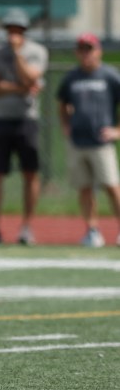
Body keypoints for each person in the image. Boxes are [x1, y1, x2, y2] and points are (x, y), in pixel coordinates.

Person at [0, 8, 48, 245]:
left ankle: (27, 227)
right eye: (9, 29)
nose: (12, 34)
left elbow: (31, 78)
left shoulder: (36, 51)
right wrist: (19, 89)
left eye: (17, 30)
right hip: (1, 119)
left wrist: (18, 54)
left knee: (30, 173)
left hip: (27, 119)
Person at [57, 32, 120, 247]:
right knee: (84, 188)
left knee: (111, 186)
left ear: (98, 51)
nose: (86, 54)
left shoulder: (110, 75)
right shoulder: (72, 77)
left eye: (89, 49)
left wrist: (117, 130)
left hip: (102, 143)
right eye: (82, 49)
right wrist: (65, 124)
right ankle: (92, 230)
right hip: (78, 141)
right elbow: (62, 103)